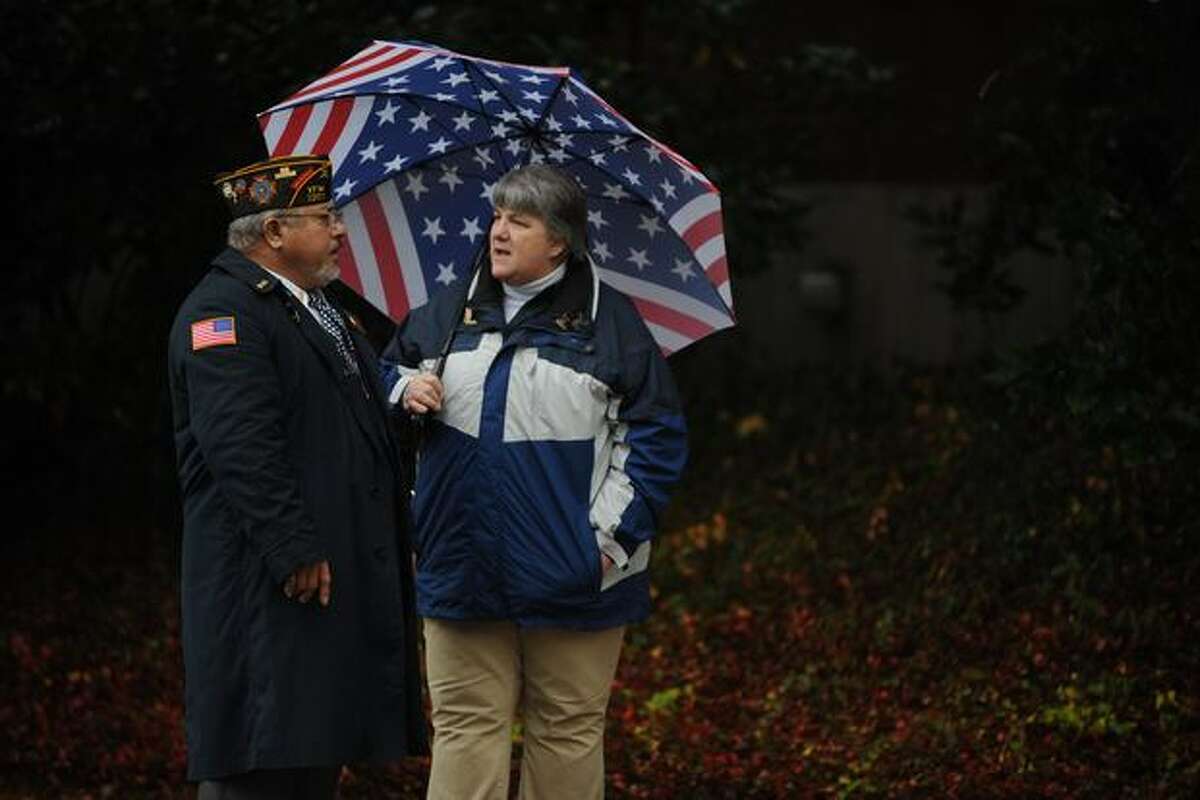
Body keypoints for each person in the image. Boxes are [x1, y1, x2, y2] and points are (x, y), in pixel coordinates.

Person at [380, 163, 688, 800]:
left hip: (579, 575)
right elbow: (375, 390)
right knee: (465, 727)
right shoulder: (442, 314)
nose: (498, 232)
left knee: (568, 730)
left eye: (519, 222)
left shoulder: (613, 326)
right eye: (496, 217)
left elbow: (656, 444)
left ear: (560, 242)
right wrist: (405, 389)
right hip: (460, 563)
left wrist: (600, 545)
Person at [167, 153, 427, 799]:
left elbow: (352, 414)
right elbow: (239, 444)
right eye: (323, 217)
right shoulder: (223, 314)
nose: (339, 231)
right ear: (274, 232)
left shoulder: (315, 307)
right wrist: (294, 547)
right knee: (263, 751)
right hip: (267, 575)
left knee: (311, 743)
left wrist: (407, 398)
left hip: (322, 572)